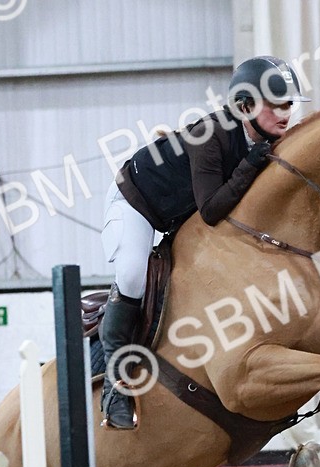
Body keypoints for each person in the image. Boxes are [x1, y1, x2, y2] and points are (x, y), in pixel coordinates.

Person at [100, 55, 309, 429]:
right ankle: (116, 383)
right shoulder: (211, 134)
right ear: (245, 106)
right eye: (275, 104)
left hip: (180, 213)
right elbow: (211, 209)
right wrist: (250, 165)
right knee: (132, 274)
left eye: (289, 104)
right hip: (136, 202)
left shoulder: (270, 140)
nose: (285, 114)